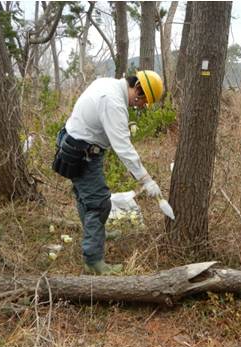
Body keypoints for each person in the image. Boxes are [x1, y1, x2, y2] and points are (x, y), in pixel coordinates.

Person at [53, 70, 164, 275]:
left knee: (85, 198)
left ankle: (95, 236)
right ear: (137, 88)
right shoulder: (113, 102)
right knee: (99, 204)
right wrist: (146, 180)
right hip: (82, 152)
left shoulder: (108, 84)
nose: (140, 106)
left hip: (74, 142)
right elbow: (123, 148)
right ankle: (93, 261)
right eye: (142, 100)